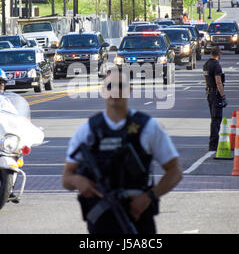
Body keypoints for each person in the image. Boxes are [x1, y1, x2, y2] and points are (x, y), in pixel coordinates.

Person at [62, 69, 182, 234]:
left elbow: (175, 171)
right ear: (103, 90)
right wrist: (77, 181)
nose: (115, 91)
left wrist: (150, 197)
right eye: (110, 86)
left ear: (129, 90)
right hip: (101, 218)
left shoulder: (148, 127)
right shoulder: (88, 130)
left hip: (138, 215)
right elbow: (66, 177)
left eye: (121, 86)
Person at [203, 47, 227, 151]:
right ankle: (213, 144)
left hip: (209, 92)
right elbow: (218, 81)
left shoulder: (206, 64)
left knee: (213, 118)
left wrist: (207, 91)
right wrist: (223, 96)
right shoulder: (216, 65)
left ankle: (213, 143)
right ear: (219, 54)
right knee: (216, 119)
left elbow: (205, 79)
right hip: (215, 93)